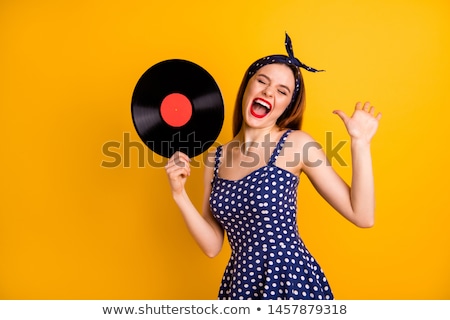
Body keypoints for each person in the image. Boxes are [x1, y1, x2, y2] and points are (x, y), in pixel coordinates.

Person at [164, 33, 382, 300]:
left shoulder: (297, 145)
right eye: (262, 81)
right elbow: (212, 246)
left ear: (287, 105)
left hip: (291, 280)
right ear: (247, 87)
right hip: (241, 285)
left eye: (282, 91)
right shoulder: (215, 158)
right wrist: (179, 194)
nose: (269, 92)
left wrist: (360, 144)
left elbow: (363, 216)